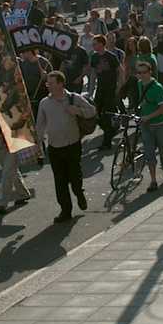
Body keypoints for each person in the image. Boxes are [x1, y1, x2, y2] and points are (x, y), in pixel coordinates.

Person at [36, 71, 96, 222]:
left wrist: (78, 111)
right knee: (60, 181)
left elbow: (92, 111)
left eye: (51, 83)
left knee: (75, 176)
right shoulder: (44, 103)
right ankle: (65, 211)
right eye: (47, 83)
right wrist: (38, 143)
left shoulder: (74, 98)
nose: (48, 85)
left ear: (60, 84)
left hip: (72, 144)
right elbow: (40, 125)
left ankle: (79, 192)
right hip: (54, 147)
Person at [135, 60, 163, 192]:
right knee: (149, 153)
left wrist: (148, 117)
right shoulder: (139, 84)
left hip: (159, 124)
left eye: (144, 72)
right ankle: (153, 181)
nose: (141, 75)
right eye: (139, 73)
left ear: (150, 72)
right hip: (146, 125)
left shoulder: (157, 87)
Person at [90, 35, 121, 149]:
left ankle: (107, 141)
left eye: (95, 43)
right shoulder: (94, 57)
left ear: (101, 44)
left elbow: (120, 71)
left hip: (110, 89)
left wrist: (118, 86)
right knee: (95, 113)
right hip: (100, 89)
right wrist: (91, 89)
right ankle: (111, 129)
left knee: (107, 114)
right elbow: (93, 74)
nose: (93, 46)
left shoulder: (111, 56)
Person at [18, 49, 52, 119]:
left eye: (23, 52)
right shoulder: (24, 62)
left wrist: (46, 77)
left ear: (29, 52)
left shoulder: (45, 64)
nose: (21, 54)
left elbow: (50, 83)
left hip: (36, 97)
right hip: (24, 92)